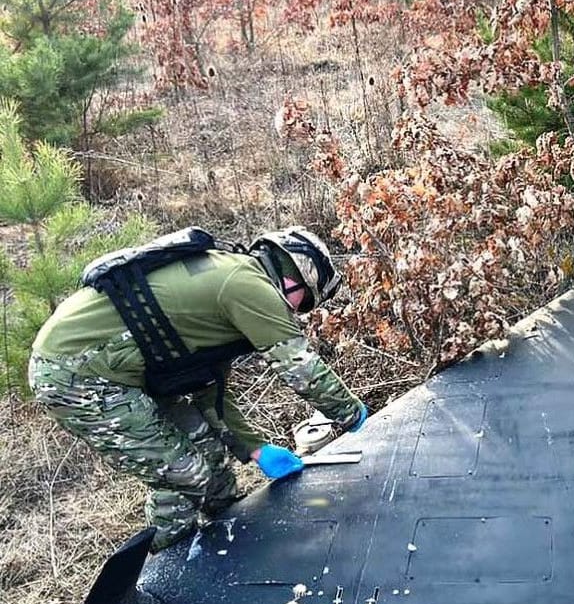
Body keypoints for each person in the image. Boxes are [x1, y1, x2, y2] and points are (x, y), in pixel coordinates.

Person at [28, 226, 368, 550]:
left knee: (209, 452)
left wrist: (255, 449)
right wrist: (354, 417)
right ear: (296, 276)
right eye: (305, 301)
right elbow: (300, 368)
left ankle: (229, 534)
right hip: (76, 370)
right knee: (183, 473)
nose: (298, 311)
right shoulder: (248, 285)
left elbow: (211, 390)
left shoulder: (230, 282)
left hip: (119, 367)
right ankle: (165, 570)